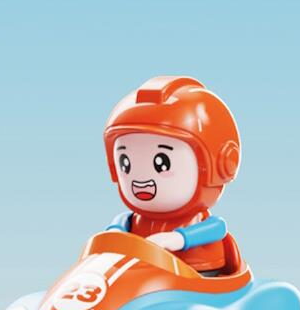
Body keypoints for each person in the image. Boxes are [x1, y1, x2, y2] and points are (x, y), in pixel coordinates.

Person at [102, 76, 241, 273]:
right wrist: (115, 234)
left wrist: (178, 238)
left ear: (217, 167)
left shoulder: (203, 222)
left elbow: (217, 228)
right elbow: (117, 229)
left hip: (198, 275)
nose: (141, 179)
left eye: (162, 163)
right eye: (125, 163)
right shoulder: (130, 221)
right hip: (139, 276)